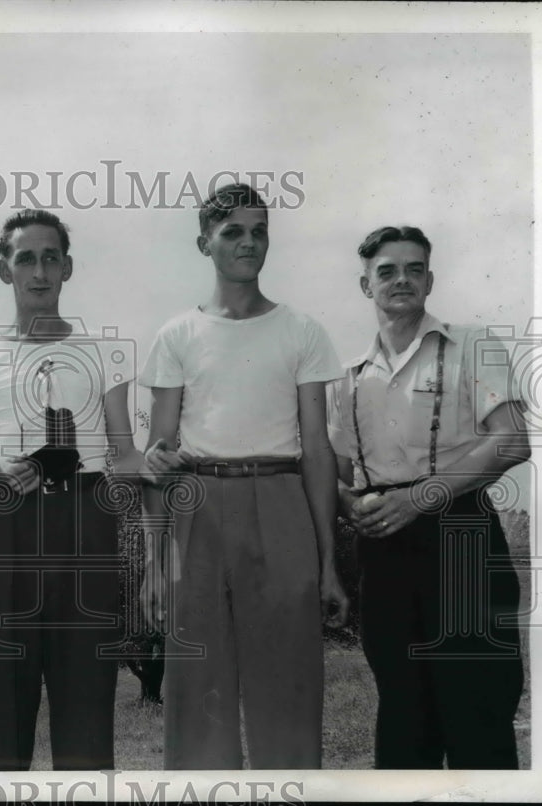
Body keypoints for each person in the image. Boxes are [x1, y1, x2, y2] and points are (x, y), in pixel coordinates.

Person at [138, 182, 349, 769]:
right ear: (204, 241)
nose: (249, 242)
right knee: (196, 684)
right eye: (233, 231)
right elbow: (156, 455)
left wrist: (328, 562)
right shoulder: (177, 334)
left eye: (260, 231)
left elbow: (318, 450)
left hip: (280, 501)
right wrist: (155, 565)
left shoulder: (302, 330)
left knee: (288, 679)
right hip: (197, 507)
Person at [0, 209, 144, 771]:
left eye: (51, 257)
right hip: (2, 525)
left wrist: (171, 460)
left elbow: (124, 455)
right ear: (6, 270)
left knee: (86, 707)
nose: (39, 270)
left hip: (85, 519)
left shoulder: (106, 353)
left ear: (68, 267)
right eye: (26, 258)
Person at [327, 225, 528, 769]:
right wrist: (352, 507)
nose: (402, 280)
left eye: (415, 269)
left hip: (461, 536)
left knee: (478, 710)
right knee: (403, 714)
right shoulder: (346, 377)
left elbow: (512, 440)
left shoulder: (473, 343)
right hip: (384, 549)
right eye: (387, 271)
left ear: (430, 279)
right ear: (365, 285)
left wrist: (421, 497)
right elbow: (336, 475)